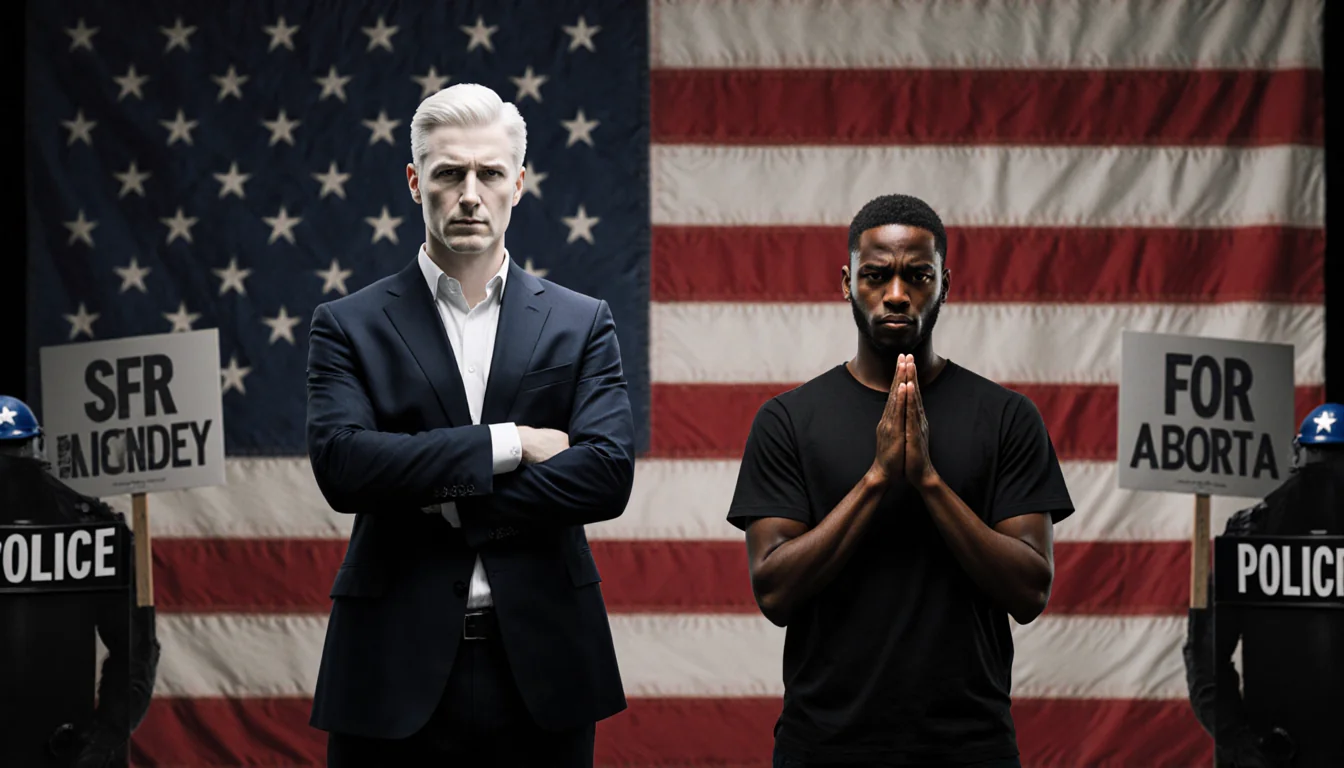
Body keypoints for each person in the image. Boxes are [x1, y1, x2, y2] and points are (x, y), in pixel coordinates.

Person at [305, 83, 635, 766]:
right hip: (390, 667)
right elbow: (344, 467)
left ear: (519, 181)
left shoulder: (582, 321)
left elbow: (606, 474)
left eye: (489, 173)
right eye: (449, 172)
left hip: (545, 667)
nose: (469, 193)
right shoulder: (346, 325)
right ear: (414, 179)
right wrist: (508, 444)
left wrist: (444, 495)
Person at [726, 194, 1076, 767]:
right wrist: (878, 479)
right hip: (826, 746)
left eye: (917, 276)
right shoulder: (788, 420)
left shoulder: (1007, 417)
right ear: (846, 283)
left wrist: (929, 482)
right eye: (876, 275)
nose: (896, 294)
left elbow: (1030, 591)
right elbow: (774, 591)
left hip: (970, 745)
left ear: (945, 283)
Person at [0, 394, 160, 767]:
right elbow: (137, 652)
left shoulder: (93, 524)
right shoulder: (92, 524)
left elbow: (135, 652)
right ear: (36, 446)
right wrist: (102, 741)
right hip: (61, 746)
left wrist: (101, 742)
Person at [1183, 403, 1344, 767]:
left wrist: (1241, 744)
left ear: (1298, 454)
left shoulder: (1249, 533)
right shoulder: (1249, 533)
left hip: (1275, 749)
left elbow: (1204, 657)